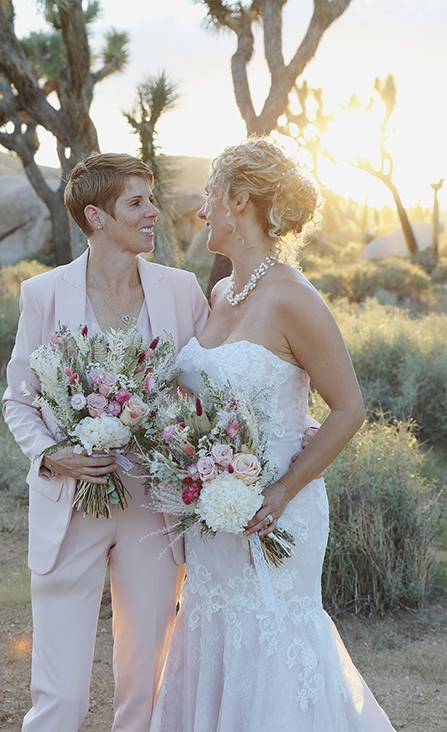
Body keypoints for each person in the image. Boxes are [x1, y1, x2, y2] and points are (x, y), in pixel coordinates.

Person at [150, 138, 395, 731]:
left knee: (269, 640)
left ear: (239, 201)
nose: (202, 209)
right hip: (214, 513)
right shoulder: (221, 292)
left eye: (211, 195)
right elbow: (207, 398)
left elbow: (349, 408)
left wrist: (281, 491)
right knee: (212, 628)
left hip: (277, 512)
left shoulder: (293, 297)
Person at [2, 153, 211, 732]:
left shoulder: (182, 290)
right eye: (136, 203)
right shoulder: (43, 294)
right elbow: (18, 399)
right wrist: (51, 454)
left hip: (153, 508)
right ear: (95, 216)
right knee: (60, 698)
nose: (152, 213)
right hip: (71, 507)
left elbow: (212, 386)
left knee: (144, 691)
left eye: (151, 199)